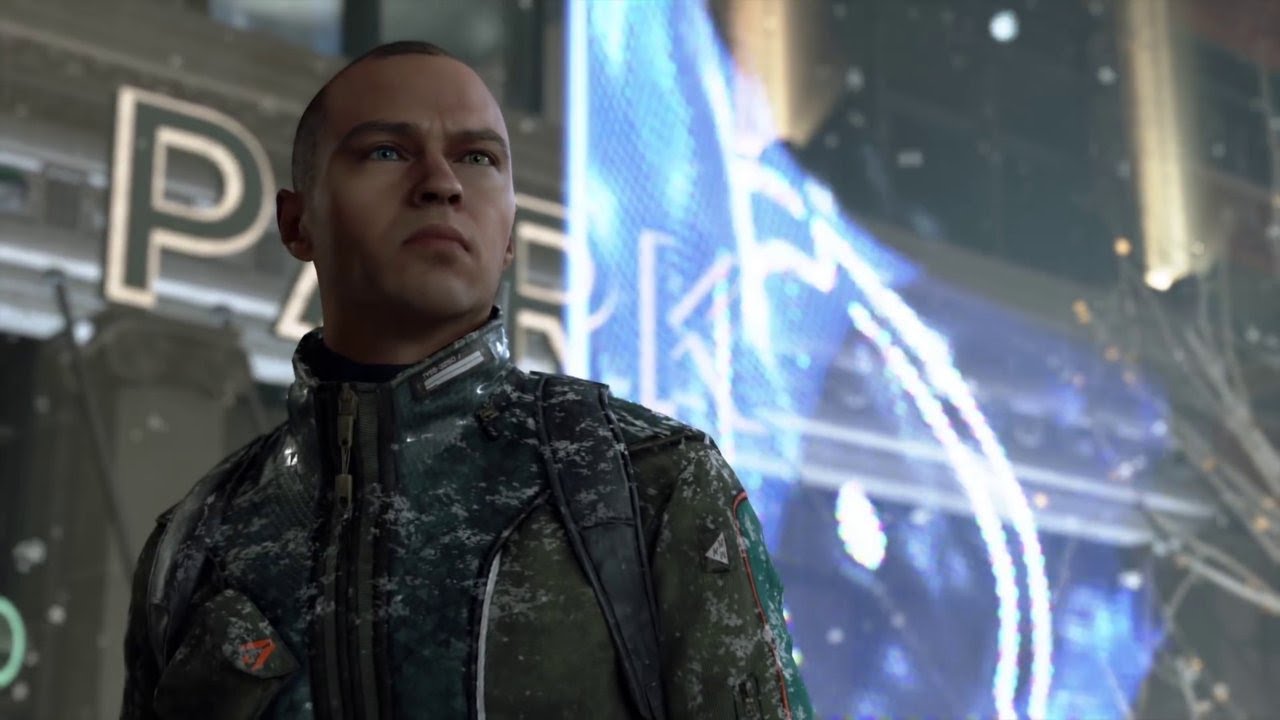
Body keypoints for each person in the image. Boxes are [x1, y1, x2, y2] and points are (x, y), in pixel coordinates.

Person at [120, 40, 814, 720]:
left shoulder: (650, 481)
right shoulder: (198, 540)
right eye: (386, 151)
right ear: (298, 223)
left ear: (510, 234)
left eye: (477, 158)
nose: (441, 183)